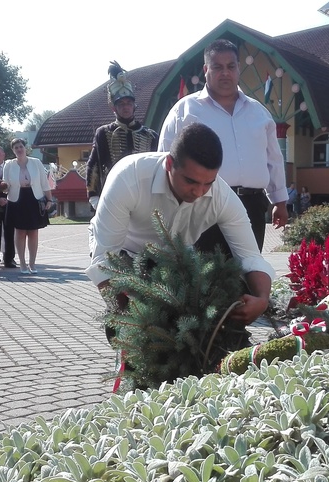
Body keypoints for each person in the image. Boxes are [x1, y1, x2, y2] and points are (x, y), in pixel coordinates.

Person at [88, 122, 274, 327]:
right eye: (191, 181)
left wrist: (262, 300)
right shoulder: (128, 178)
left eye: (208, 183)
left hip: (178, 258)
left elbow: (250, 257)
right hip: (124, 253)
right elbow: (105, 261)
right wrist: (130, 321)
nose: (199, 192)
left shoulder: (221, 196)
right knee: (128, 330)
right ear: (169, 163)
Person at [159, 39, 288, 254]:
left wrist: (280, 201)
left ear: (238, 68)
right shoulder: (184, 110)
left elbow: (274, 159)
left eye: (231, 66)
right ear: (205, 70)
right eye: (217, 67)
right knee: (206, 275)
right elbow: (164, 158)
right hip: (201, 203)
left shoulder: (259, 113)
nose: (225, 73)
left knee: (249, 272)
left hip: (252, 206)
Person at [86, 61, 159, 213]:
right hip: (112, 197)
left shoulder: (150, 136)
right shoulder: (103, 133)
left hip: (143, 199)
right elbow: (93, 165)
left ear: (134, 105)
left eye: (129, 103)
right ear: (114, 107)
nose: (126, 107)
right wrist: (94, 196)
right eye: (121, 104)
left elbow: (158, 169)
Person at [3, 138, 54, 274]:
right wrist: (1, 187)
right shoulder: (8, 165)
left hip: (34, 198)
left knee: (33, 232)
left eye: (21, 147)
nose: (19, 150)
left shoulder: (36, 162)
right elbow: (6, 186)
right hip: (16, 200)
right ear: (13, 151)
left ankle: (32, 264)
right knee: (19, 232)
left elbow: (44, 183)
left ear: (25, 148)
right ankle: (23, 264)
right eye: (16, 148)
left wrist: (49, 200)